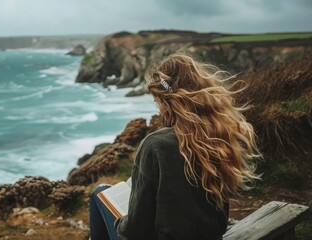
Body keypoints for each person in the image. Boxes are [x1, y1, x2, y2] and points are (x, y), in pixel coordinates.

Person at [89, 54, 260, 240]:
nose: (158, 110)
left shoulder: (155, 145)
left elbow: (136, 230)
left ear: (168, 101)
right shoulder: (220, 138)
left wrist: (120, 222)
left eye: (157, 102)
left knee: (99, 193)